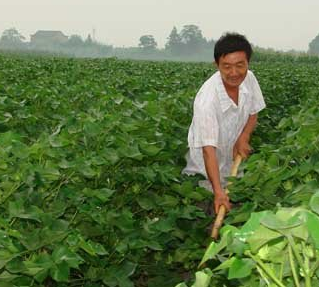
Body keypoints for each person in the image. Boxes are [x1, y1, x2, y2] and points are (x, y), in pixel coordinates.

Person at [182, 32, 266, 215]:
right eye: (226, 67)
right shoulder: (207, 101)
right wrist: (218, 191)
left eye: (239, 65)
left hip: (232, 163)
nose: (234, 73)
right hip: (205, 170)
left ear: (248, 63)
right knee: (207, 213)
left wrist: (243, 137)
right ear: (217, 65)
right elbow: (208, 150)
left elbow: (254, 112)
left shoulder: (249, 79)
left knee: (235, 214)